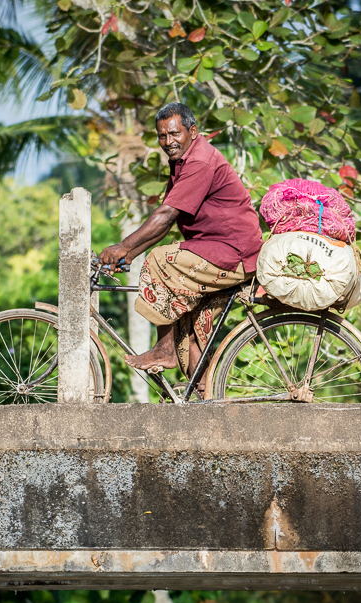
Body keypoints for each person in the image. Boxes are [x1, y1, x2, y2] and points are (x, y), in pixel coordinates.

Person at [98, 102, 263, 396]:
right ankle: (201, 389)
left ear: (192, 131)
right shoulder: (183, 162)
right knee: (184, 314)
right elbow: (165, 222)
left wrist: (124, 245)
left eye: (174, 134)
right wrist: (128, 254)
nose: (168, 142)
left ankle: (164, 351)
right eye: (162, 136)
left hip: (232, 252)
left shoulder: (199, 162)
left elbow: (165, 215)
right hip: (214, 249)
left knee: (160, 260)